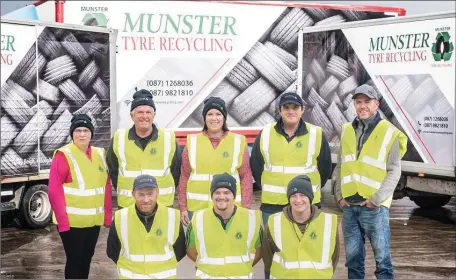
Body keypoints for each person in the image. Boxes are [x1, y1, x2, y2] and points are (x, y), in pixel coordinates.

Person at [333, 84, 408, 279]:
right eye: (358, 102)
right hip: (349, 206)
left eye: (367, 102)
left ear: (377, 104)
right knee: (353, 262)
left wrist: (376, 199)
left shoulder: (388, 132)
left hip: (374, 208)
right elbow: (341, 166)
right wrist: (339, 195)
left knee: (383, 262)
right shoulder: (347, 130)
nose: (362, 106)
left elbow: (394, 171)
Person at [250, 91, 332, 225]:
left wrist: (308, 191)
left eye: (295, 108)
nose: (291, 111)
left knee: (305, 245)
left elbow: (325, 168)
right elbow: (256, 166)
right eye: (286, 107)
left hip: (305, 204)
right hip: (273, 204)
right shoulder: (266, 133)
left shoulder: (316, 134)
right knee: (272, 245)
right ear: (280, 110)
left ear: (302, 110)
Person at [48, 114, 112, 279]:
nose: (82, 134)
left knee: (86, 259)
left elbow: (105, 185)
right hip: (72, 224)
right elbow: (54, 190)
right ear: (72, 134)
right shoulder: (64, 154)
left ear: (91, 133)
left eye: (85, 130)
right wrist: (63, 222)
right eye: (78, 131)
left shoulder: (99, 153)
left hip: (93, 222)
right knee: (75, 261)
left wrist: (107, 215)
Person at [178, 97, 253, 226]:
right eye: (210, 114)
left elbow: (245, 176)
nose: (214, 118)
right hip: (197, 209)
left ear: (224, 118)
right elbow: (184, 176)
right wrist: (183, 208)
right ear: (204, 118)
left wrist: (245, 207)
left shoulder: (238, 142)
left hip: (229, 208)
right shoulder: (192, 142)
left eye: (218, 114)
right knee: (198, 245)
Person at [106, 88, 181, 209]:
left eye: (148, 112)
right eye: (140, 112)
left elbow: (176, 171)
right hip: (128, 205)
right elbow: (113, 170)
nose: (144, 116)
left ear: (154, 115)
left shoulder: (168, 138)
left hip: (162, 205)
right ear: (132, 115)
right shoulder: (119, 138)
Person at [106, 174, 186, 279]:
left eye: (150, 194)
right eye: (141, 194)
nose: (146, 199)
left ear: (157, 193)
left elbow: (180, 250)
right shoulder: (120, 217)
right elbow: (112, 250)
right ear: (133, 194)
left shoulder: (173, 217)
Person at [186, 173, 262, 279]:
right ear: (212, 195)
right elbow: (190, 251)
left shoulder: (252, 219)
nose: (222, 197)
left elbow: (260, 251)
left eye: (227, 192)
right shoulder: (198, 219)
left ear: (234, 196)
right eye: (217, 192)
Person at [263, 175, 340, 279]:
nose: (298, 200)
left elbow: (334, 257)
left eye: (302, 195)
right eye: (293, 195)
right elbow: (268, 258)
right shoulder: (274, 222)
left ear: (310, 197)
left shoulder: (328, 223)